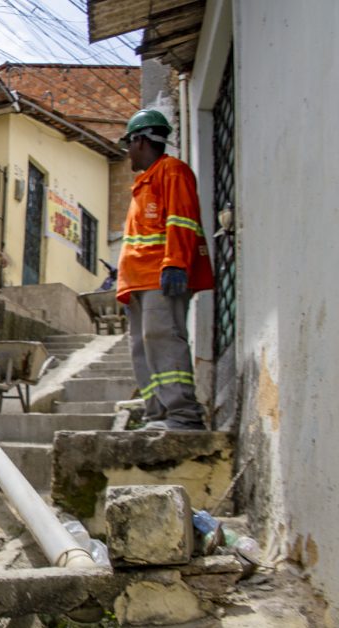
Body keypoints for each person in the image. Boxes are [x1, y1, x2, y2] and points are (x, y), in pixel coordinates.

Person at [117, 109, 214, 431]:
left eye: (129, 144)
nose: (127, 152)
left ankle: (183, 414)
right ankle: (157, 414)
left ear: (141, 141)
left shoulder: (171, 172)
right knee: (144, 347)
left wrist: (175, 263)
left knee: (164, 339)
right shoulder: (144, 183)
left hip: (160, 276)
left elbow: (181, 220)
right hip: (139, 283)